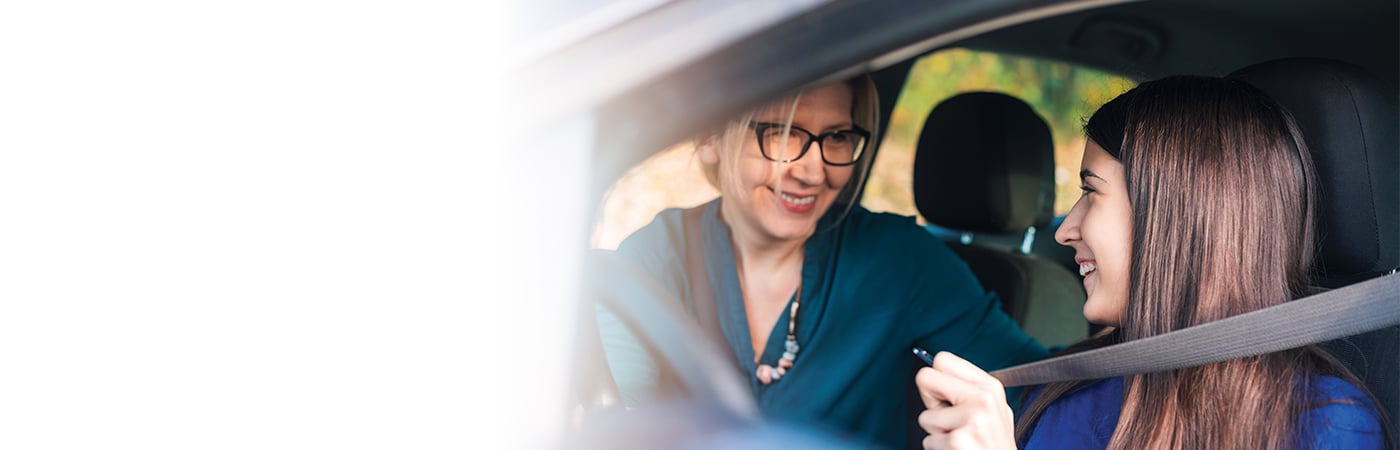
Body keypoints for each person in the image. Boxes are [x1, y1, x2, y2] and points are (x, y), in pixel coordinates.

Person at [912, 75, 1387, 449]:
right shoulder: (1069, 385)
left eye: (1091, 192)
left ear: (1177, 215)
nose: (1064, 229)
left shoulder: (1322, 423)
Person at [597, 74, 1048, 450]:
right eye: (781, 133)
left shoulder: (899, 260)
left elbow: (1042, 394)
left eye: (837, 137)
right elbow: (609, 419)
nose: (813, 172)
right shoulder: (656, 259)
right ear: (711, 138)